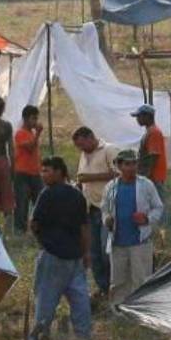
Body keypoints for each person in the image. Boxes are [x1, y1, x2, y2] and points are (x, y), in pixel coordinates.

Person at [29, 156, 93, 340]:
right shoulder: (78, 196)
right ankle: (84, 339)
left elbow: (34, 224)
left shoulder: (46, 195)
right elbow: (84, 228)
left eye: (47, 170)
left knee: (46, 301)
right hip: (75, 257)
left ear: (59, 172)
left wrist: (43, 243)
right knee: (80, 300)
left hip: (53, 256)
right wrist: (86, 253)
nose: (43, 175)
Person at [101, 149, 164, 307]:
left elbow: (158, 208)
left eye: (134, 163)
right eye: (127, 164)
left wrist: (147, 219)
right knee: (118, 282)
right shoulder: (111, 187)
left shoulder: (146, 185)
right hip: (118, 243)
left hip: (140, 242)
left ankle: (141, 314)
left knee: (140, 280)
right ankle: (119, 312)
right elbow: (105, 209)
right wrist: (107, 219)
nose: (131, 168)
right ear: (119, 166)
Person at [72, 126, 116, 297]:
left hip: (107, 209)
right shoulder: (84, 155)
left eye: (83, 145)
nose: (82, 149)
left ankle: (114, 287)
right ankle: (103, 288)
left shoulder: (109, 150)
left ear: (91, 137)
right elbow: (81, 178)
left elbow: (119, 174)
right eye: (79, 147)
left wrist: (91, 178)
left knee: (107, 252)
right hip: (90, 210)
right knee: (94, 253)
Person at [13, 105, 43, 234]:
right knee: (22, 201)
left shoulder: (31, 133)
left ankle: (38, 227)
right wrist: (38, 134)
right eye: (33, 119)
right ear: (25, 119)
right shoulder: (20, 133)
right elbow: (30, 148)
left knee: (39, 201)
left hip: (35, 172)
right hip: (22, 173)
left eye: (36, 119)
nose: (35, 122)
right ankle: (20, 228)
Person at [132, 104, 168, 196]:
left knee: (158, 205)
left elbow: (153, 157)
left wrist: (145, 177)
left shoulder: (154, 133)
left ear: (147, 116)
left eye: (139, 116)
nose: (137, 119)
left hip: (154, 176)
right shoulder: (150, 132)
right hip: (152, 176)